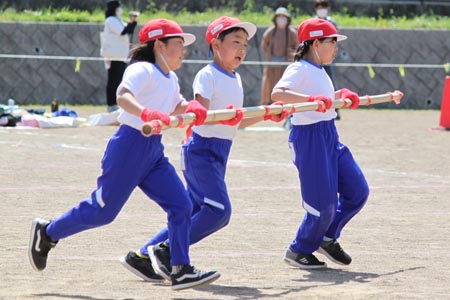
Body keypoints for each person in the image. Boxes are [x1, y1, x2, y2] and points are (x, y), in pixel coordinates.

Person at [28, 18, 221, 291]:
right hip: (129, 146)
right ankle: (48, 232)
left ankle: (181, 269)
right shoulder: (142, 69)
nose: (183, 50)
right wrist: (144, 112)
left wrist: (189, 107)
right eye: (178, 44)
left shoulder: (171, 77)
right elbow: (122, 95)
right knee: (102, 212)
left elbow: (175, 102)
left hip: (153, 150)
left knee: (182, 206)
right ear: (159, 45)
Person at [119, 16, 289, 281]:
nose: (242, 49)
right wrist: (226, 116)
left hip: (220, 151)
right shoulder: (207, 75)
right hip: (200, 151)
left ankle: (142, 256)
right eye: (235, 42)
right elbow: (202, 113)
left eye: (245, 44)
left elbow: (236, 122)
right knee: (218, 212)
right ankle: (167, 250)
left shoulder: (236, 78)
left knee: (194, 213)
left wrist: (267, 115)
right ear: (216, 44)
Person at [271, 18, 370, 269]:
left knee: (357, 191)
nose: (335, 47)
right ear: (315, 43)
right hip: (309, 139)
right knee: (322, 204)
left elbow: (325, 100)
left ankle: (326, 237)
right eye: (331, 42)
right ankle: (299, 250)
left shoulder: (320, 71)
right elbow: (278, 94)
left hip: (329, 135)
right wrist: (311, 98)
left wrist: (341, 96)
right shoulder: (300, 68)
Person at [102, 0, 138, 112]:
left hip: (120, 55)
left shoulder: (118, 20)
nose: (121, 9)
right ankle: (111, 104)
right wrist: (130, 24)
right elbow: (122, 31)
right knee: (113, 80)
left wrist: (132, 22)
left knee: (118, 80)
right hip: (114, 56)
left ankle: (115, 103)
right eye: (119, 7)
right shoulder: (111, 20)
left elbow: (129, 30)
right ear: (115, 9)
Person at [260, 7, 298, 106]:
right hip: (272, 63)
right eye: (279, 17)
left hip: (285, 64)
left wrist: (290, 56)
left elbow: (297, 46)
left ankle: (283, 103)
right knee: (269, 83)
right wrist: (269, 55)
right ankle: (268, 103)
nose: (281, 19)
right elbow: (264, 44)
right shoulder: (270, 31)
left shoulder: (291, 32)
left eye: (283, 17)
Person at [314, 0, 341, 119]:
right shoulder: (313, 21)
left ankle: (336, 109)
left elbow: (335, 39)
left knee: (331, 83)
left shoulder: (332, 22)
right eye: (319, 7)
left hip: (328, 58)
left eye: (323, 7)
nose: (321, 9)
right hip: (315, 58)